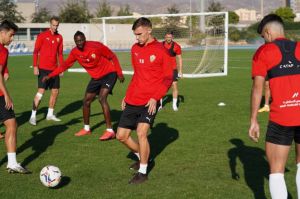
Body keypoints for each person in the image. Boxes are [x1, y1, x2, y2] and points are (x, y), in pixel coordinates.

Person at [249, 14, 300, 199]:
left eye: (263, 36)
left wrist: (253, 120)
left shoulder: (264, 52)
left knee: (277, 171)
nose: (263, 41)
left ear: (268, 33)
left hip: (282, 118)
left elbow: (257, 89)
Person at [116, 17, 173, 184]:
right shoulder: (134, 48)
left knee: (141, 133)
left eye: (139, 34)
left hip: (150, 101)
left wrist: (156, 98)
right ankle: (143, 156)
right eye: (135, 34)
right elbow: (137, 75)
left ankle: (142, 171)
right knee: (121, 136)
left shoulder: (162, 51)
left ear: (149, 30)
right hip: (133, 99)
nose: (137, 38)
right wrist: (127, 95)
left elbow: (168, 78)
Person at [42, 31, 124, 141]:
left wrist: (119, 72)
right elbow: (65, 65)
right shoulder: (75, 52)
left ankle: (110, 131)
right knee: (86, 101)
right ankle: (86, 128)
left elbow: (112, 56)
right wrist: (50, 75)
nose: (79, 43)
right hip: (96, 78)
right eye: (77, 41)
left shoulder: (96, 46)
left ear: (85, 39)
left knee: (102, 98)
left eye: (81, 40)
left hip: (109, 74)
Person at [0, 20, 30, 173]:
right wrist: (7, 95)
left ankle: (12, 163)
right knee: (11, 124)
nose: (12, 39)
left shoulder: (4, 51)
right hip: (0, 94)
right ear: (2, 33)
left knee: (11, 124)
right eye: (11, 35)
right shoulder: (2, 51)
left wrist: (6, 70)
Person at [29, 16, 64, 126]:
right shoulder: (42, 36)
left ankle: (50, 114)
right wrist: (35, 66)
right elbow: (35, 51)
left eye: (57, 25)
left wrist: (61, 67)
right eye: (53, 25)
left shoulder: (60, 37)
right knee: (40, 93)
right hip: (43, 69)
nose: (55, 27)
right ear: (50, 24)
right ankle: (33, 116)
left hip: (55, 70)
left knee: (55, 92)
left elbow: (60, 54)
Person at [160, 31, 183, 111]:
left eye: (170, 37)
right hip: (162, 69)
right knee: (161, 87)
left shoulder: (176, 46)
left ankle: (174, 105)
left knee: (174, 86)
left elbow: (179, 58)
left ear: (172, 38)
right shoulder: (160, 45)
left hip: (173, 69)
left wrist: (180, 71)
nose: (169, 39)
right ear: (165, 37)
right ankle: (160, 105)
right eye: (167, 37)